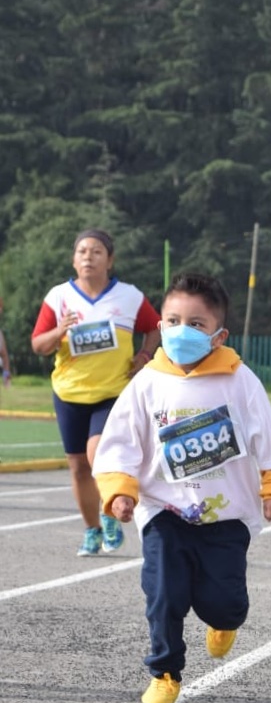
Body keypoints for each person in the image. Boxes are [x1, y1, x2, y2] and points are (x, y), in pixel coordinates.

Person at [92, 272, 271, 703]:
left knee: (223, 604)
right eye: (172, 320)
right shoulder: (147, 382)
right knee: (164, 592)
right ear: (160, 325)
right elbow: (120, 442)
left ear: (219, 334)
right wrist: (121, 491)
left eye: (196, 324)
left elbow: (270, 442)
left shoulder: (239, 381)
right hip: (165, 511)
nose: (181, 331)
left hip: (226, 518)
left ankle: (224, 623)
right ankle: (164, 673)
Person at [31, 229, 161, 557]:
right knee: (77, 467)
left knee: (98, 453)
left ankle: (111, 511)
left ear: (110, 260)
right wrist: (59, 330)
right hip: (69, 392)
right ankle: (92, 530)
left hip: (112, 391)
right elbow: (38, 346)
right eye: (82, 251)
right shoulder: (58, 297)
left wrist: (144, 356)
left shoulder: (130, 297)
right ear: (74, 260)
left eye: (97, 251)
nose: (88, 256)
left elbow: (155, 328)